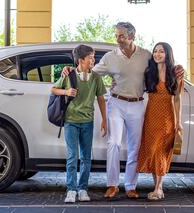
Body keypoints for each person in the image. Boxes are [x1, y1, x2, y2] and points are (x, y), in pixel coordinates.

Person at [62, 22, 184, 199]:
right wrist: (70, 70)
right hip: (116, 103)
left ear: (131, 36)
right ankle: (112, 185)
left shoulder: (146, 55)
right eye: (116, 35)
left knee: (135, 146)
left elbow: (163, 64)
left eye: (121, 36)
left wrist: (179, 68)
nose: (117, 39)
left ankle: (130, 186)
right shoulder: (110, 57)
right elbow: (89, 72)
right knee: (114, 143)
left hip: (137, 104)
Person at [51, 44, 107, 203]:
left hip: (88, 122)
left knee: (86, 157)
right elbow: (54, 89)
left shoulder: (96, 78)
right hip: (71, 122)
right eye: (91, 57)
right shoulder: (69, 75)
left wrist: (104, 120)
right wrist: (66, 92)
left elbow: (101, 99)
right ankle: (71, 190)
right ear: (81, 60)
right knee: (72, 156)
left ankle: (83, 189)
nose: (93, 60)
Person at [136, 42, 183, 200]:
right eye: (155, 51)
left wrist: (178, 121)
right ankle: (158, 187)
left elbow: (177, 99)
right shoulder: (149, 71)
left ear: (167, 54)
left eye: (161, 52)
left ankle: (158, 189)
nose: (157, 54)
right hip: (151, 116)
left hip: (166, 118)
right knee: (153, 150)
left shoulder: (174, 73)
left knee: (161, 151)